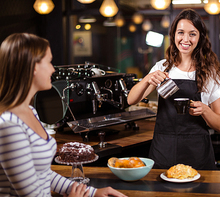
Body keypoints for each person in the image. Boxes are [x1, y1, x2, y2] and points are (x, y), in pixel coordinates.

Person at [0, 33, 127, 197]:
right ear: (33, 67)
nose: (53, 69)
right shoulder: (10, 126)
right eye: (49, 61)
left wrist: (92, 193)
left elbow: (44, 175)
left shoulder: (29, 111)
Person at [127, 8, 220, 170]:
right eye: (181, 32)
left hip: (197, 153)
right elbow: (131, 100)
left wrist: (205, 111)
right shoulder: (162, 67)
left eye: (192, 34)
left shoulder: (211, 74)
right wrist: (147, 79)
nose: (185, 39)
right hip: (163, 150)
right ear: (173, 35)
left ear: (200, 37)